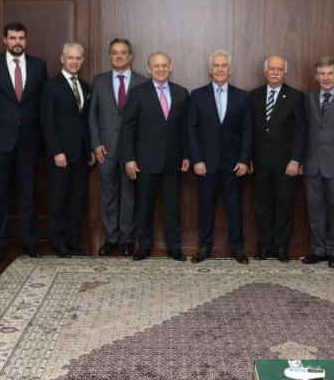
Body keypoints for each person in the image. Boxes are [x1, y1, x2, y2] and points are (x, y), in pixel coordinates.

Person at [0, 21, 48, 262]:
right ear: (4, 40)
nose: (17, 42)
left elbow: (42, 106)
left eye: (21, 38)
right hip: (0, 140)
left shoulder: (39, 66)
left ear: (26, 40)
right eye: (12, 38)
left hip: (29, 141)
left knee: (29, 193)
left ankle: (30, 242)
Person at [121, 52, 190, 261]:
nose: (160, 69)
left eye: (164, 65)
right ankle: (144, 246)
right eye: (156, 66)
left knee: (172, 208)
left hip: (173, 161)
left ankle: (174, 247)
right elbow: (127, 129)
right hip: (145, 161)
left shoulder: (181, 93)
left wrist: (187, 155)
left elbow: (185, 129)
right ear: (149, 69)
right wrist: (129, 159)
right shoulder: (137, 92)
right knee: (145, 208)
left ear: (170, 67)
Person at [187, 50, 253, 264]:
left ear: (230, 70)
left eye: (224, 65)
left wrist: (244, 160)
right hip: (205, 164)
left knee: (235, 207)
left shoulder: (242, 96)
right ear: (210, 69)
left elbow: (247, 131)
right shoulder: (197, 95)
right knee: (205, 207)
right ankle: (204, 247)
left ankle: (237, 248)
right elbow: (192, 130)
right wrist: (196, 159)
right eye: (216, 65)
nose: (220, 69)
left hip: (234, 164)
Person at [88, 38, 148, 257]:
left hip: (132, 151)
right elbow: (92, 116)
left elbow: (146, 119)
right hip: (106, 150)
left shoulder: (142, 82)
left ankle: (126, 240)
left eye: (123, 52)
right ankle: (111, 237)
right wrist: (95, 143)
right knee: (109, 194)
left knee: (130, 195)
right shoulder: (100, 81)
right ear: (110, 56)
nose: (119, 56)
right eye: (114, 52)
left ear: (130, 56)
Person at [249, 55, 306, 262]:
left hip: (286, 164)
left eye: (279, 69)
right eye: (271, 69)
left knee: (284, 206)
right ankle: (264, 247)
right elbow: (249, 130)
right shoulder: (253, 95)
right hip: (260, 162)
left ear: (285, 73)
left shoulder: (295, 96)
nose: (275, 72)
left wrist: (295, 160)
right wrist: (248, 158)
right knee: (262, 207)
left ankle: (282, 247)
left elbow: (301, 131)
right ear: (265, 72)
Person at [41, 42, 95, 258]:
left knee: (76, 199)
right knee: (58, 200)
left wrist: (89, 148)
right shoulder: (51, 86)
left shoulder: (84, 86)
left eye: (78, 58)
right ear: (62, 59)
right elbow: (47, 121)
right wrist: (56, 151)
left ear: (82, 61)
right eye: (70, 58)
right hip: (61, 154)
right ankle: (58, 241)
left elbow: (85, 121)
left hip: (81, 153)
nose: (74, 61)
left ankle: (72, 240)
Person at [301, 57, 334, 267]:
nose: (325, 78)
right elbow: (306, 130)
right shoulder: (310, 98)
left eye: (330, 73)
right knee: (315, 209)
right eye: (321, 74)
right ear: (316, 76)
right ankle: (318, 249)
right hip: (312, 163)